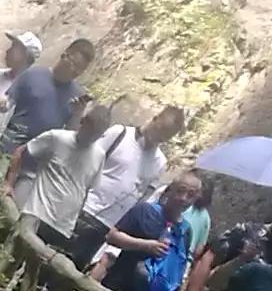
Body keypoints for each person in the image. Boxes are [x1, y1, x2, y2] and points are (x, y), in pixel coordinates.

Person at [70, 100, 186, 265]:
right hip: (82, 209)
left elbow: (141, 198)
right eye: (161, 130)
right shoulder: (120, 134)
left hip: (106, 225)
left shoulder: (159, 162)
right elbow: (87, 161)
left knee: (70, 271)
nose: (160, 137)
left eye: (166, 136)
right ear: (155, 118)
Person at [91, 162, 208, 291]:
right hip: (117, 288)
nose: (183, 198)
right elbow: (112, 236)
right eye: (180, 191)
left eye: (191, 195)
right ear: (170, 190)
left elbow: (180, 266)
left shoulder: (186, 230)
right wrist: (146, 245)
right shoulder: (145, 210)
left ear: (196, 199)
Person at [6, 89, 113, 242]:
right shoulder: (57, 138)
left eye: (96, 135)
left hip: (63, 226)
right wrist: (9, 184)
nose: (91, 138)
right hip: (37, 213)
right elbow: (21, 152)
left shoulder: (99, 155)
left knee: (40, 263)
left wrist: (74, 221)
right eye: (90, 131)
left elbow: (86, 189)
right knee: (13, 252)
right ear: (82, 122)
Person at [0, 33, 95, 159]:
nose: (75, 72)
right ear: (64, 55)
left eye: (80, 69)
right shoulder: (34, 73)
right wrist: (3, 102)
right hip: (6, 148)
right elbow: (8, 100)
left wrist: (77, 114)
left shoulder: (76, 96)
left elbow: (69, 138)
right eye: (74, 64)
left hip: (35, 162)